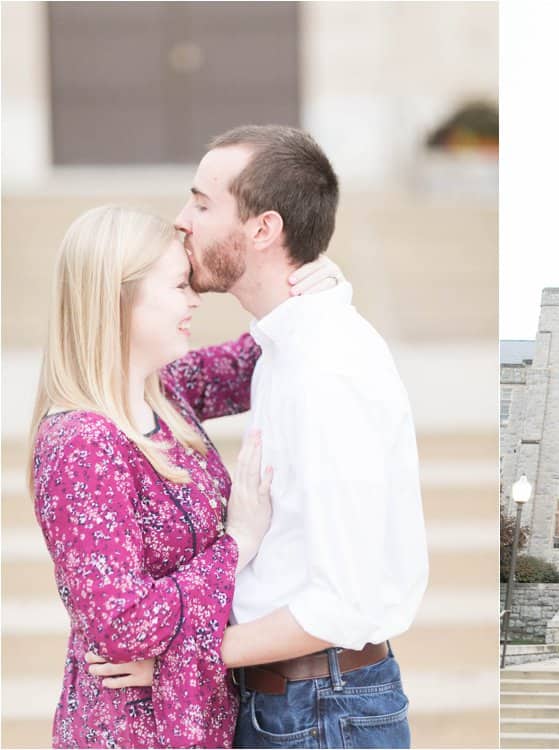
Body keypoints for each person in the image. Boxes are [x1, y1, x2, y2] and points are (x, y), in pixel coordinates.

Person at [91, 125, 429, 749]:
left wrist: (177, 659)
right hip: (292, 699)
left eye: (201, 202)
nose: (181, 222)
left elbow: (341, 605)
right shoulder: (286, 344)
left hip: (321, 710)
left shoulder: (326, 367)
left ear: (264, 229)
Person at [29, 205, 338, 748]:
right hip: (130, 732)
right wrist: (237, 543)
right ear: (118, 300)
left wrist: (319, 289)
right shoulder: (81, 444)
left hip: (199, 717)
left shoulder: (163, 390)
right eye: (178, 286)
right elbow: (125, 625)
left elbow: (257, 359)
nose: (195, 299)